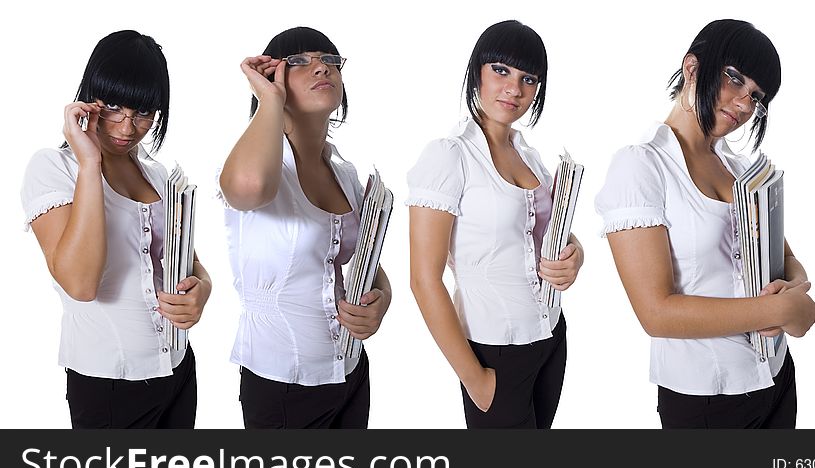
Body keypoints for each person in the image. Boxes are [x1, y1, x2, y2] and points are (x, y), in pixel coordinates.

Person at [595, 19, 815, 428]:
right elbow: (655, 313)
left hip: (776, 377)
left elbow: (784, 258)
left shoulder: (740, 171)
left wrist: (796, 288)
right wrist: (776, 308)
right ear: (692, 68)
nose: (744, 104)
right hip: (707, 400)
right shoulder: (640, 166)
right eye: (735, 79)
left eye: (756, 96)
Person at [20, 30, 212, 429]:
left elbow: (188, 262)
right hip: (108, 383)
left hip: (177, 370)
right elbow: (80, 284)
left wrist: (203, 289)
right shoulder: (54, 169)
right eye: (113, 107)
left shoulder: (159, 177)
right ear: (90, 96)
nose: (127, 127)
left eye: (143, 112)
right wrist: (89, 162)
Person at [407, 20, 583, 429]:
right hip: (494, 350)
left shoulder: (531, 156)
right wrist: (475, 378)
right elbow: (424, 279)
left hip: (550, 335)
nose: (514, 89)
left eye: (528, 79)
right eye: (500, 71)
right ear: (477, 72)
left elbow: (546, 233)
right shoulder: (448, 156)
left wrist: (575, 254)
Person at [219, 27, 391, 429]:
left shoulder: (345, 174)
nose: (321, 68)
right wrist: (270, 100)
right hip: (283, 386)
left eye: (330, 61)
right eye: (299, 62)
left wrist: (381, 300)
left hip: (349, 372)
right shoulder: (261, 166)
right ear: (272, 79)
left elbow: (365, 261)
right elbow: (248, 188)